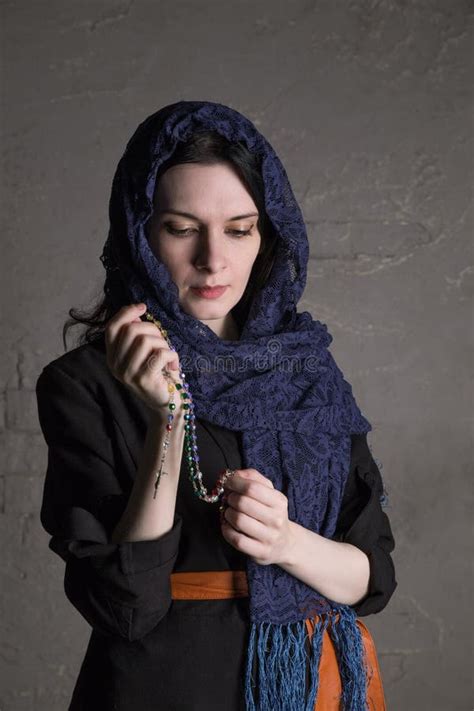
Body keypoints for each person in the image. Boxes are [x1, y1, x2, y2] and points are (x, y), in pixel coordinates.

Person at [36, 100, 397, 711]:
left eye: (239, 228)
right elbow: (126, 605)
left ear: (269, 232)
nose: (213, 259)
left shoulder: (307, 372)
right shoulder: (85, 383)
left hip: (316, 684)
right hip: (169, 687)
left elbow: (372, 579)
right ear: (140, 234)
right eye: (181, 228)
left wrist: (285, 543)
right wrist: (168, 420)